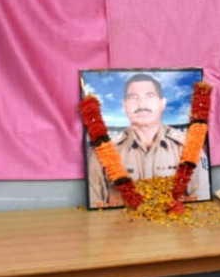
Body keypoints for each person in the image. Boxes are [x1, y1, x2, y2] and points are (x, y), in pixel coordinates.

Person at [87, 73, 210, 208]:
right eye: (133, 97)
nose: (142, 104)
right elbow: (96, 204)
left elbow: (201, 204)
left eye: (149, 96)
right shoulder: (103, 153)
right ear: (124, 105)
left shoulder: (189, 147)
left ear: (162, 103)